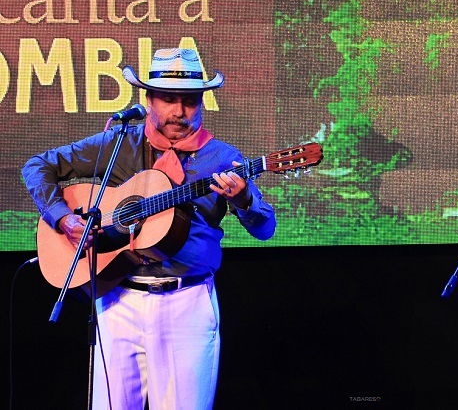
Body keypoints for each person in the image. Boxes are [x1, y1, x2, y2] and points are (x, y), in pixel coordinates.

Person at [22, 48, 276, 409]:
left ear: (202, 102)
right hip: (116, 297)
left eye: (189, 101)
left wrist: (244, 199)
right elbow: (38, 166)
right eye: (168, 99)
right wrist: (63, 218)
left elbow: (265, 228)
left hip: (185, 301)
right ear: (148, 99)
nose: (179, 111)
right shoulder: (118, 144)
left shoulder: (221, 157)